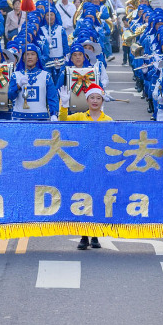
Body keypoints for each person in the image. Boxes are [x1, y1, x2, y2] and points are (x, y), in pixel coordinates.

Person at [58, 82, 112, 250]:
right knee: (83, 198)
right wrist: (64, 106)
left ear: (102, 101)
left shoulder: (109, 120)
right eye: (92, 98)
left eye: (98, 98)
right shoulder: (80, 117)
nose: (95, 101)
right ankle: (83, 235)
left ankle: (95, 234)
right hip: (82, 165)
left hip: (100, 165)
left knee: (98, 198)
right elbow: (63, 121)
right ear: (87, 100)